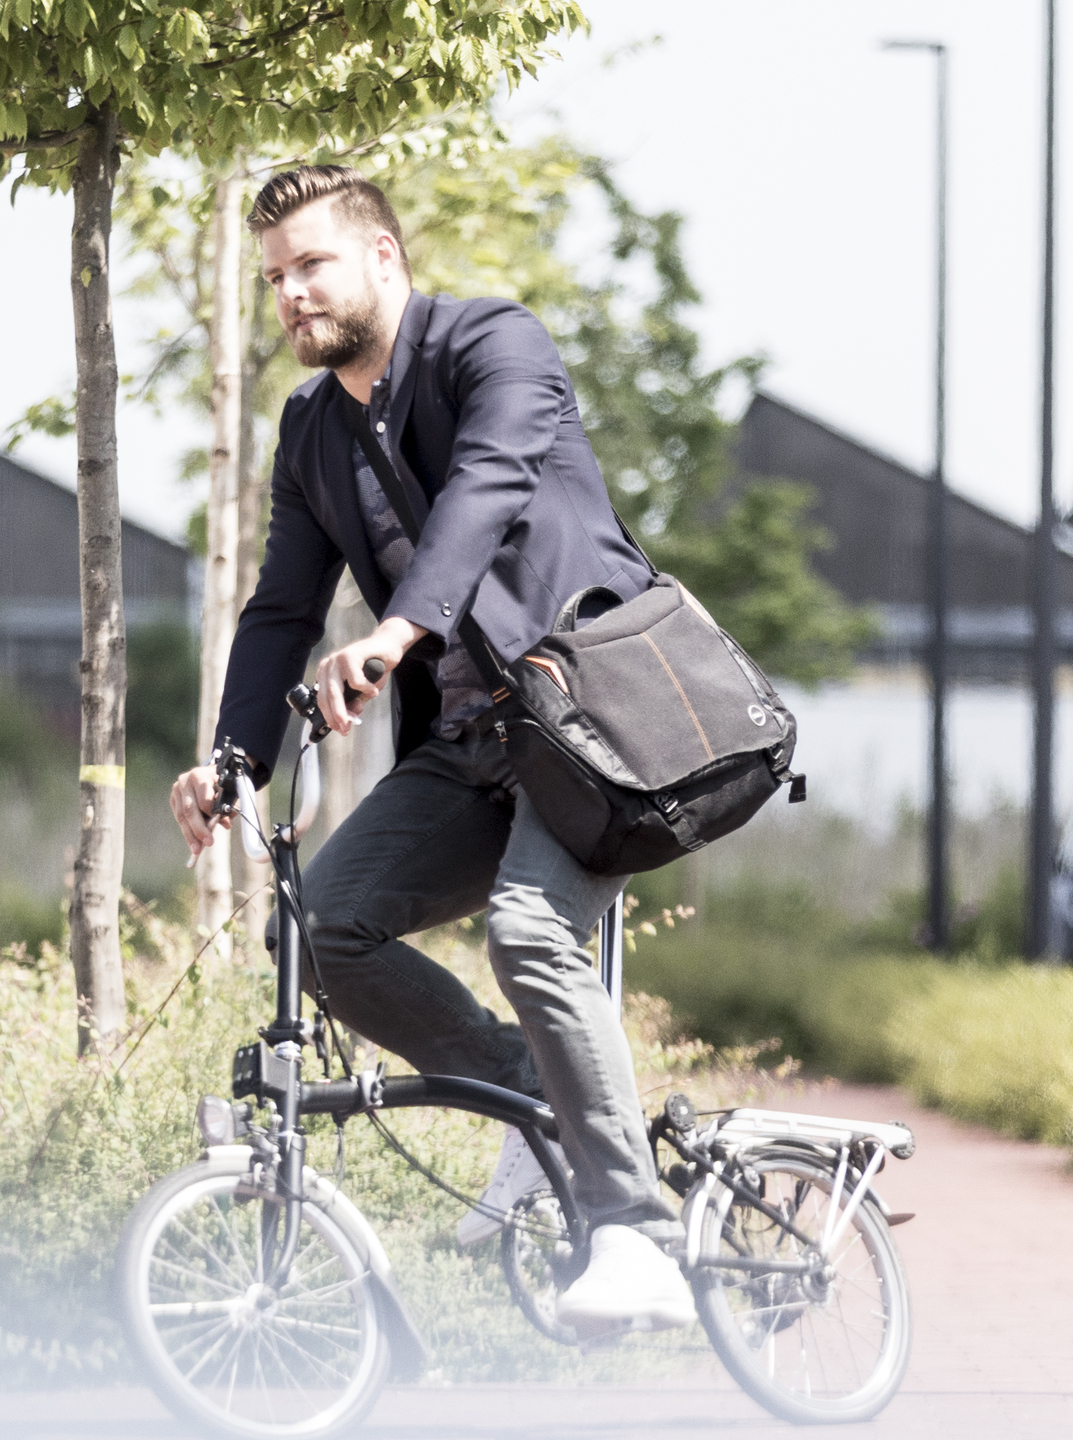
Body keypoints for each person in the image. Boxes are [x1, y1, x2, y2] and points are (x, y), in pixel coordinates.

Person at [167, 164, 689, 1337]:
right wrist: (232, 760)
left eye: (312, 265)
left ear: (384, 260)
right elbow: (278, 612)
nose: (290, 294)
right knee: (318, 923)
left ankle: (638, 1240)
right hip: (469, 746)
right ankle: (535, 1100)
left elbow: (489, 490)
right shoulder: (309, 431)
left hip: (588, 723)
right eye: (274, 278)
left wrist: (398, 628)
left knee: (530, 928)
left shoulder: (495, 345)